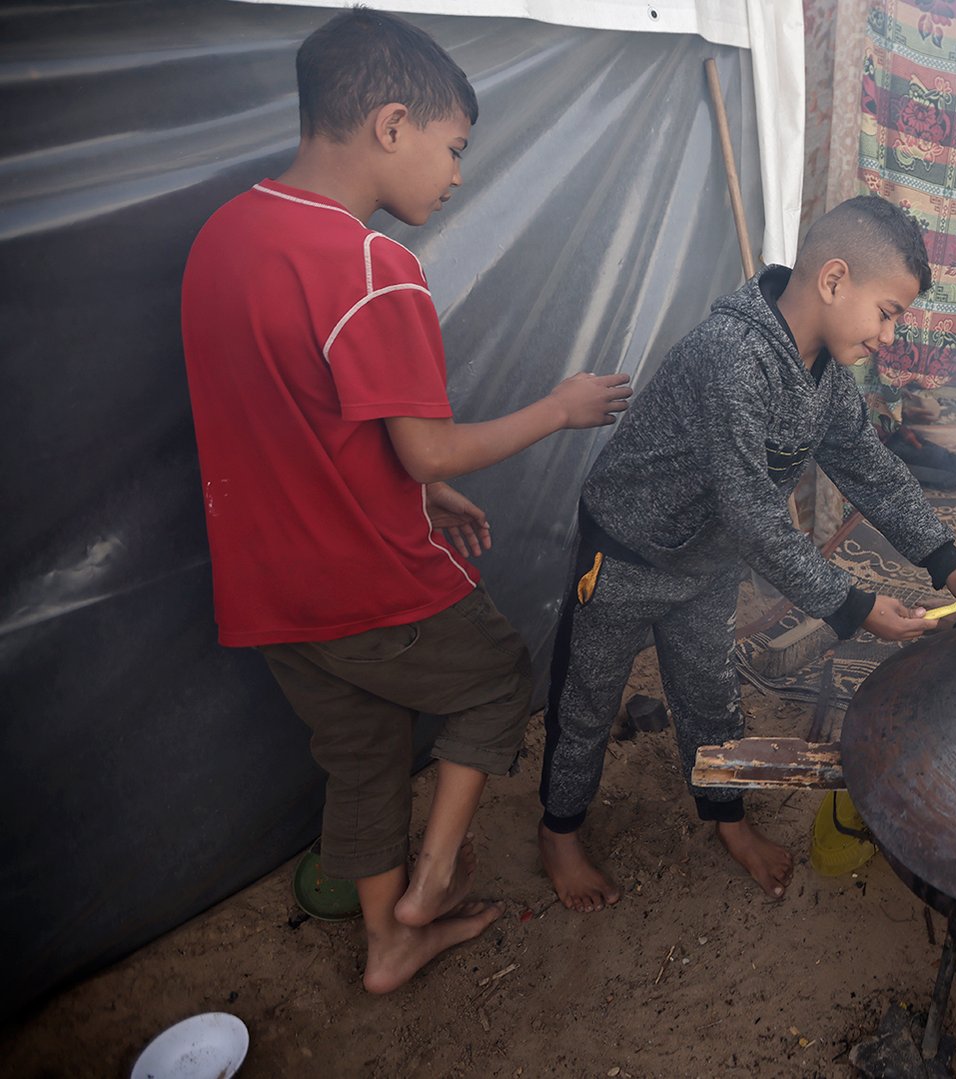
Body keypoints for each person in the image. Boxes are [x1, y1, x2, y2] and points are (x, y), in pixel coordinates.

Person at [179, 9, 631, 994]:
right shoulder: (374, 268)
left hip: (265, 593)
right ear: (392, 125)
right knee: (497, 673)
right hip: (365, 581)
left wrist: (430, 491)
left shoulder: (223, 236)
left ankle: (388, 942)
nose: (458, 175)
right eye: (455, 148)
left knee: (361, 752)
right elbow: (420, 438)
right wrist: (559, 408)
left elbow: (305, 427)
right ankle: (428, 881)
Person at [537, 195, 956, 911]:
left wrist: (948, 563)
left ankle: (728, 820)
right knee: (587, 700)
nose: (890, 336)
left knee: (711, 696)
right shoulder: (731, 358)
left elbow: (870, 468)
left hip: (705, 562)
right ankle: (559, 832)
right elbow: (753, 517)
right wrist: (855, 606)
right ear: (835, 280)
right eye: (889, 312)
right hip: (625, 554)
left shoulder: (826, 378)